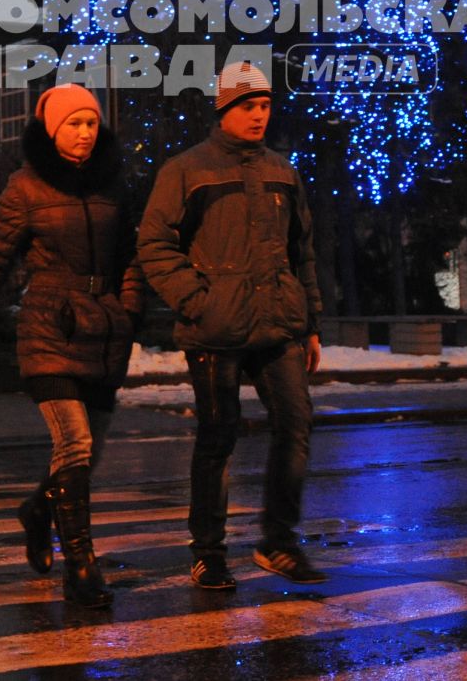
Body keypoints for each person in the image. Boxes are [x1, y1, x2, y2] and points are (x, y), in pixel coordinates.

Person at [0, 84, 144, 609]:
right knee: (74, 440)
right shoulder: (25, 188)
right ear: (52, 128)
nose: (84, 133)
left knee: (88, 451)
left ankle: (38, 510)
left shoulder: (113, 185)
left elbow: (130, 257)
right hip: (49, 328)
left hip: (105, 334)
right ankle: (82, 567)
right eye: (73, 123)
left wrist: (128, 308)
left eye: (90, 123)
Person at [137, 60, 326, 590]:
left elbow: (302, 251)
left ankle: (278, 541)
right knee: (218, 437)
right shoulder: (186, 170)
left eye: (265, 106)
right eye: (249, 106)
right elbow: (153, 244)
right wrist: (197, 301)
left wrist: (310, 322)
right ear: (224, 110)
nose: (260, 116)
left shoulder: (283, 171)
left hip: (278, 324)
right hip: (216, 330)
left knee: (296, 423)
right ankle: (208, 552)